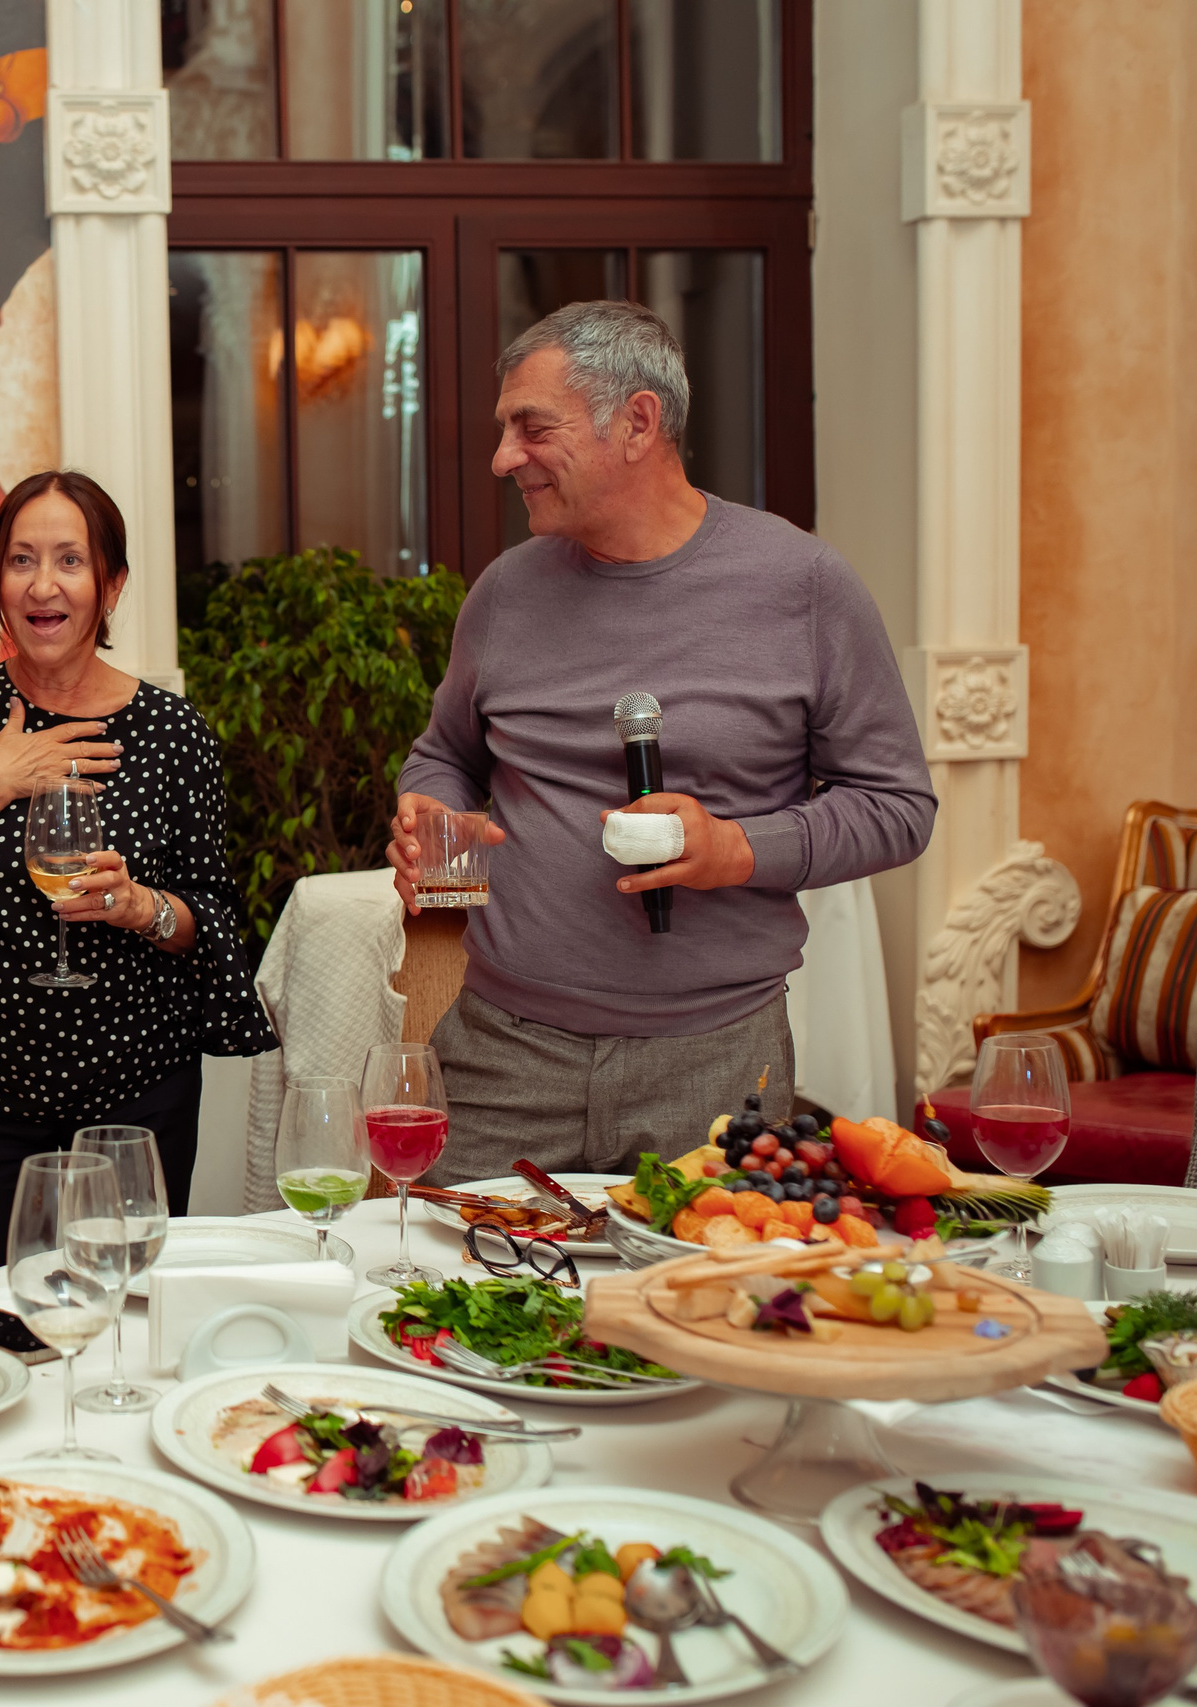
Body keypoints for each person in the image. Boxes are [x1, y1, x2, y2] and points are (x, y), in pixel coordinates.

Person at [390, 301, 935, 1181]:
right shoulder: (504, 592)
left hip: (716, 1064)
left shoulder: (806, 585)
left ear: (638, 421)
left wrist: (737, 848)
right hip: (502, 1055)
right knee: (455, 1307)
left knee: (698, 1311)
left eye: (532, 428)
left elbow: (900, 808)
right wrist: (432, 812)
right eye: (504, 430)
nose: (502, 459)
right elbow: (447, 752)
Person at [0, 471, 276, 1275]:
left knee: (125, 1315)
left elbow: (212, 920)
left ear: (111, 584)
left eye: (71, 561)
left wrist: (143, 906)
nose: (44, 585)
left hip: (134, 1099)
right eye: (21, 560)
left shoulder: (174, 732)